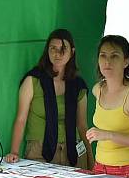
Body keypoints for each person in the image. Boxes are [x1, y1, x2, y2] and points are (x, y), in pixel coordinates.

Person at [5, 30, 94, 169]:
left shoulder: (79, 85)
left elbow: (82, 126)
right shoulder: (33, 80)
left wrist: (91, 161)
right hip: (39, 152)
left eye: (63, 49)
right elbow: (21, 119)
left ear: (72, 52)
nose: (57, 54)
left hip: (74, 154)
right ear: (47, 51)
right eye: (53, 48)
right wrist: (14, 152)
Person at [86, 35, 129, 177]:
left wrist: (108, 135)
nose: (107, 61)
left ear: (126, 62)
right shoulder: (97, 89)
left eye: (114, 56)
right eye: (103, 56)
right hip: (100, 168)